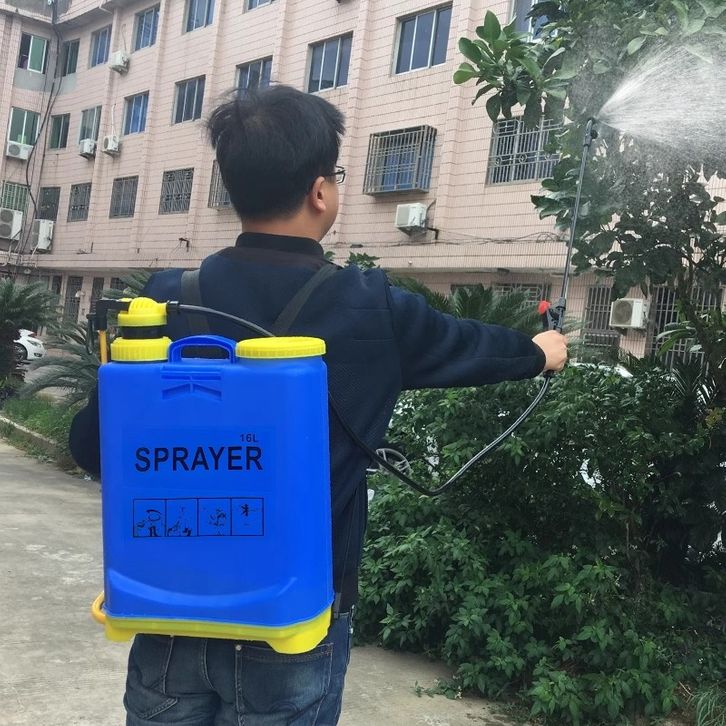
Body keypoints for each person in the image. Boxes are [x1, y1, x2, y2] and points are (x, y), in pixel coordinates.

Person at [69, 84, 567, 726]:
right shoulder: (370, 307)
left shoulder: (165, 301)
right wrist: (538, 352)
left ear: (234, 189)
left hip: (169, 616)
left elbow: (92, 447)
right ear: (320, 191)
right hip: (294, 624)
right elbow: (468, 346)